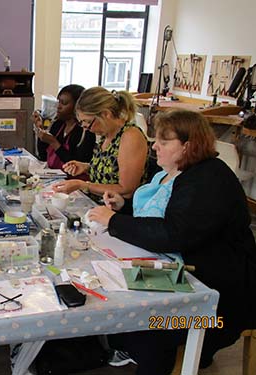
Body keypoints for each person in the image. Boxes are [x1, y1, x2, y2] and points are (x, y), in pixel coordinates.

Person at [88, 109, 256, 374]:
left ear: (188, 146)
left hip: (219, 295)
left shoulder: (208, 180)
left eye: (163, 142)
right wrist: (124, 207)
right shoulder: (180, 171)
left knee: (150, 327)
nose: (154, 146)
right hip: (185, 268)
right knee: (109, 292)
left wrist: (113, 221)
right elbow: (161, 211)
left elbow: (171, 233)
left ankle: (174, 354)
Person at [52, 87, 148, 199]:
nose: (86, 128)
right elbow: (112, 168)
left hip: (119, 210)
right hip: (98, 202)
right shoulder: (106, 135)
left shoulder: (130, 136)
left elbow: (126, 189)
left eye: (88, 122)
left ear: (105, 114)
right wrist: (86, 167)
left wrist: (82, 185)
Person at [34, 85, 95, 173]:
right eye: (58, 102)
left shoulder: (85, 131)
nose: (58, 107)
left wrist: (54, 143)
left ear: (77, 107)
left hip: (75, 181)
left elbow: (75, 165)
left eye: (64, 103)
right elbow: (43, 156)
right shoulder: (58, 124)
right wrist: (40, 129)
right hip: (55, 178)